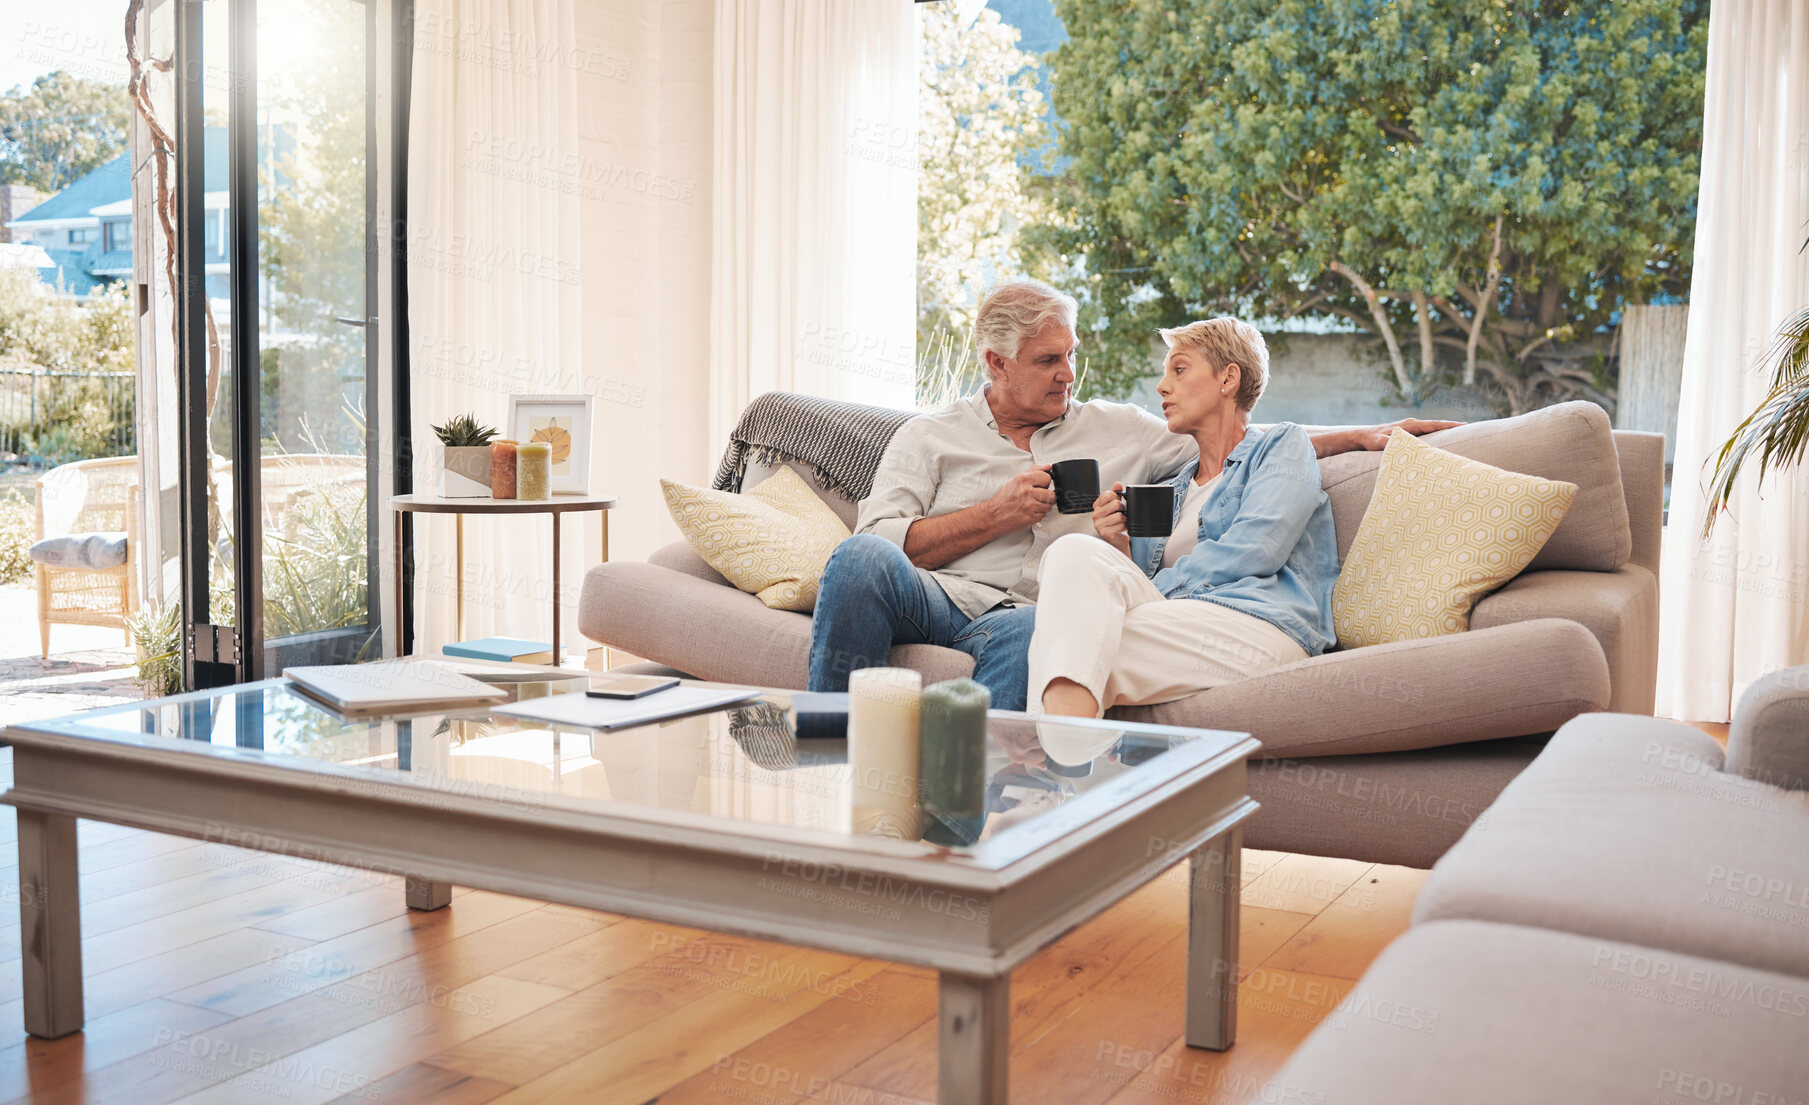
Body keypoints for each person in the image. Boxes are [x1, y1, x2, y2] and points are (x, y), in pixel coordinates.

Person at [807, 280, 1454, 710]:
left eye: (1070, 356)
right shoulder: (930, 437)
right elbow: (881, 539)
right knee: (858, 560)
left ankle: (981, 822)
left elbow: (1236, 443)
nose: (1067, 375)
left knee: (1042, 633)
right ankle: (826, 759)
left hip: (1029, 614)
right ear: (996, 364)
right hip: (942, 596)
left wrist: (1363, 435)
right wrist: (992, 515)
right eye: (1046, 362)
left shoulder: (1121, 430)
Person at [1029, 317, 1336, 718]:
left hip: (1260, 624)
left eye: (1179, 369)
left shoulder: (1282, 446)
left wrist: (1156, 590)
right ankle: (1068, 766)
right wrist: (1120, 548)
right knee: (1073, 566)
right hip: (1179, 624)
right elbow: (1136, 585)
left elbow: (1257, 550)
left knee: (1068, 642)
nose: (1162, 387)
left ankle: (1052, 771)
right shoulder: (1172, 490)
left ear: (1228, 380)